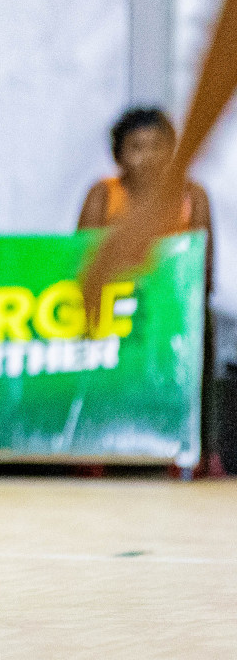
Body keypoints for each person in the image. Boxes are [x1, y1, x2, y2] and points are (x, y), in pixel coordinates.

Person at [78, 107, 220, 475]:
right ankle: (94, 450)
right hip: (117, 311)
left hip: (173, 315)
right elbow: (81, 259)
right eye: (136, 147)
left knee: (204, 326)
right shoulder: (102, 195)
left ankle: (193, 452)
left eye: (158, 146)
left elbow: (203, 267)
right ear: (119, 155)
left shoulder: (192, 195)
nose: (148, 156)